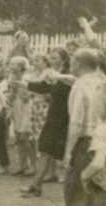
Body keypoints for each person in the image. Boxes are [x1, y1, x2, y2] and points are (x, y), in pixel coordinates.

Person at [62, 48, 105, 206]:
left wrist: (68, 152)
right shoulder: (102, 82)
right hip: (102, 141)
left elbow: (76, 123)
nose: (71, 65)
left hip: (85, 142)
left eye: (72, 61)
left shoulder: (80, 87)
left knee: (75, 195)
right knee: (91, 197)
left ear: (79, 63)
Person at [22, 48, 72, 197]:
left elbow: (64, 93)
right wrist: (25, 84)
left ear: (63, 59)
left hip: (63, 118)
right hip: (54, 116)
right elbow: (45, 87)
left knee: (52, 150)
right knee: (45, 149)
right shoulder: (53, 74)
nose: (52, 61)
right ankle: (36, 185)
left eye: (55, 58)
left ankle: (37, 185)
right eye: (50, 58)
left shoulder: (67, 75)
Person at [7, 56, 35, 176]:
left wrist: (19, 86)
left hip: (26, 109)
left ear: (20, 67)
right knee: (18, 137)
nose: (11, 67)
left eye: (13, 64)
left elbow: (26, 98)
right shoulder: (11, 78)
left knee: (26, 137)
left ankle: (33, 166)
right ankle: (22, 165)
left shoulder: (27, 78)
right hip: (16, 108)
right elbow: (10, 96)